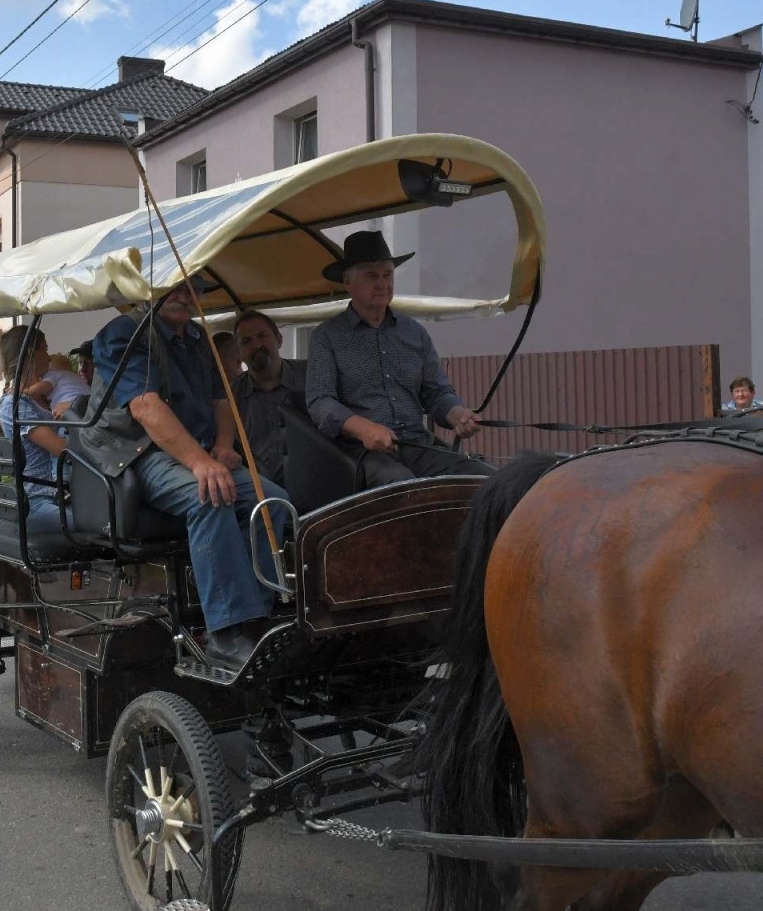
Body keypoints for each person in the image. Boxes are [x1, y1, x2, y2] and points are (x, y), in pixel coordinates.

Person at [80, 279, 289, 670]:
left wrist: (224, 446)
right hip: (138, 450)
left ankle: (257, 617)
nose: (182, 295)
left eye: (191, 288)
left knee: (271, 501)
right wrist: (201, 463)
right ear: (147, 290)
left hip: (193, 448)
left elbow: (219, 399)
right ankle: (224, 634)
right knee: (208, 496)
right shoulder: (123, 334)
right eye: (171, 287)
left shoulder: (197, 338)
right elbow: (145, 408)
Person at [306, 230, 493, 487]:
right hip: (360, 453)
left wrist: (458, 414)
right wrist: (364, 429)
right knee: (403, 488)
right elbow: (320, 402)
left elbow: (437, 392)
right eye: (372, 275)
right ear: (348, 282)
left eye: (388, 274)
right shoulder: (326, 337)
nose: (382, 283)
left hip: (417, 443)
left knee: (487, 479)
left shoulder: (414, 333)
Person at [0, 327, 68, 532]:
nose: (49, 356)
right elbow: (64, 450)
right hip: (39, 501)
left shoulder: (45, 395)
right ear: (31, 354)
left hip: (63, 494)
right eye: (44, 350)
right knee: (111, 524)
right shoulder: (15, 404)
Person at [230, 310, 308, 484]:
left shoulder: (312, 376)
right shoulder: (231, 397)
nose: (256, 345)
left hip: (313, 481)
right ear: (239, 352)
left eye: (262, 336)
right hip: (263, 491)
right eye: (247, 341)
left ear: (279, 339)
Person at [23, 353, 90, 419]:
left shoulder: (53, 374)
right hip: (87, 403)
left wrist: (24, 391)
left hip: (71, 403)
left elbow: (41, 388)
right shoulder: (75, 377)